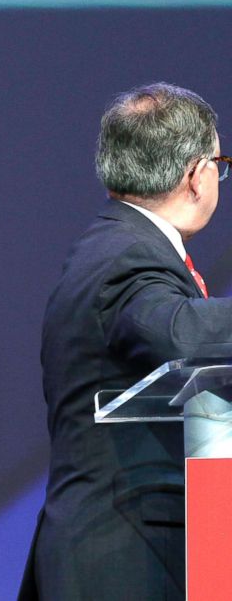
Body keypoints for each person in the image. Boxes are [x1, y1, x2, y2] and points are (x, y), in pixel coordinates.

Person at [20, 83, 232, 600]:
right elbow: (177, 332)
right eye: (220, 163)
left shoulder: (118, 244)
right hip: (123, 558)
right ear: (196, 175)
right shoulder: (124, 256)